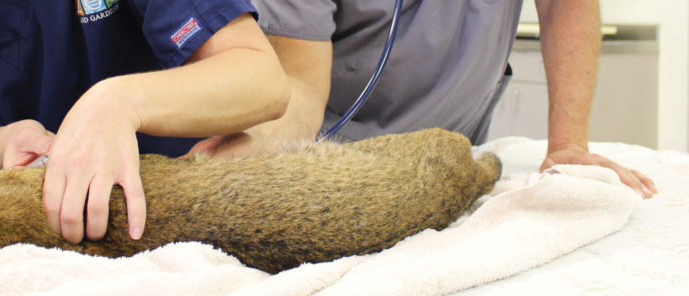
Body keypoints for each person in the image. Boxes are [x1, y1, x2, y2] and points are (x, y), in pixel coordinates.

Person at [0, 0, 291, 243]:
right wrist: (3, 141)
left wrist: (119, 103)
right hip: (29, 239)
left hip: (176, 219)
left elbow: (261, 79)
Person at [187, 0, 658, 199]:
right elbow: (300, 85)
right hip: (328, 158)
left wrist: (568, 143)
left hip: (454, 159)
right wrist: (257, 146)